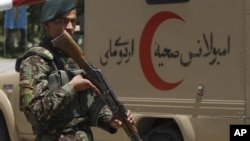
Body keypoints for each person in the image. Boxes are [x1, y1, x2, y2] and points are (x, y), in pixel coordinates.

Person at [15, 0, 135, 140]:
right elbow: (33, 112)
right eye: (62, 21)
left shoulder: (75, 58)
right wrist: (71, 88)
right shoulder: (36, 60)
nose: (70, 27)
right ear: (47, 26)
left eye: (73, 21)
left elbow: (89, 106)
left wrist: (110, 119)